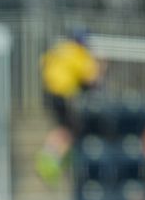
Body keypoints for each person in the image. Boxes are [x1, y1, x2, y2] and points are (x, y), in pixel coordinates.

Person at [36, 28, 102, 185]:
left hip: (48, 91)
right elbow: (91, 78)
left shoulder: (60, 48)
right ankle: (50, 159)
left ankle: (50, 157)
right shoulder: (79, 53)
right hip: (62, 93)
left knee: (65, 127)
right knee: (70, 129)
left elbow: (43, 62)